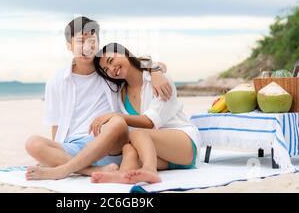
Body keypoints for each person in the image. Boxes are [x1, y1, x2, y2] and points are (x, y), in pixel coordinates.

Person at [25, 17, 172, 180]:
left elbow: (138, 63)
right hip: (73, 146)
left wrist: (157, 71)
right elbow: (56, 124)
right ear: (69, 46)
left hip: (111, 143)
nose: (87, 46)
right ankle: (88, 169)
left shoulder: (109, 70)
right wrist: (55, 151)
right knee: (32, 143)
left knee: (117, 121)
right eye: (81, 41)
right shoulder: (57, 80)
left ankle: (63, 169)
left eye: (92, 40)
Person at [89, 42, 201, 184]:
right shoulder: (120, 93)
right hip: (157, 153)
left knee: (137, 133)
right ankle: (122, 175)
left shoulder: (159, 80)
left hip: (184, 145)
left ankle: (149, 170)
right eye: (106, 69)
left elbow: (149, 122)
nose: (111, 69)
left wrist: (156, 70)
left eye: (111, 61)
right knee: (128, 149)